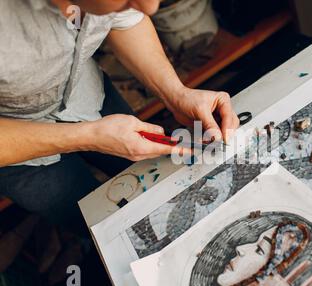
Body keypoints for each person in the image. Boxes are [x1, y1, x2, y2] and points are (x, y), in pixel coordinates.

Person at [0, 0, 240, 236]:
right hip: (15, 149)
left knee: (153, 181)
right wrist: (89, 137)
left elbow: (124, 20)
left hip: (87, 97)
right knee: (98, 222)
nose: (151, 8)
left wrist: (175, 93)